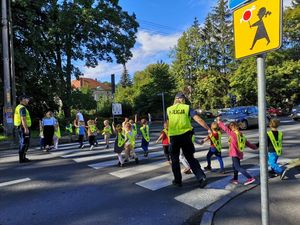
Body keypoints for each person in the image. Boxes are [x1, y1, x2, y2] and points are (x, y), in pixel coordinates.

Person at [167, 92, 210, 188]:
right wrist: (208, 128)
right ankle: (201, 177)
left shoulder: (169, 109)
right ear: (183, 99)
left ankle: (178, 181)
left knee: (175, 160)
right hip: (186, 136)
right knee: (190, 158)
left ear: (175, 99)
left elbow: (167, 124)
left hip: (174, 137)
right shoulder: (187, 107)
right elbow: (198, 119)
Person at [217, 117, 258, 185]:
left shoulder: (233, 134)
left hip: (234, 153)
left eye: (230, 128)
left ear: (232, 128)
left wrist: (219, 122)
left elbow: (225, 129)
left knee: (237, 167)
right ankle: (235, 179)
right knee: (235, 166)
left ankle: (250, 178)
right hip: (239, 153)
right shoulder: (241, 135)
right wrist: (256, 146)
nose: (230, 129)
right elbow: (249, 144)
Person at [14, 95, 32, 163]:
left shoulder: (18, 107)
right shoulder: (22, 108)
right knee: (25, 143)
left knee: (22, 142)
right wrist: (26, 129)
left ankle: (22, 157)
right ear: (22, 100)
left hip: (20, 127)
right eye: (27, 99)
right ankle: (22, 158)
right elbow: (23, 119)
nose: (28, 100)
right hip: (23, 127)